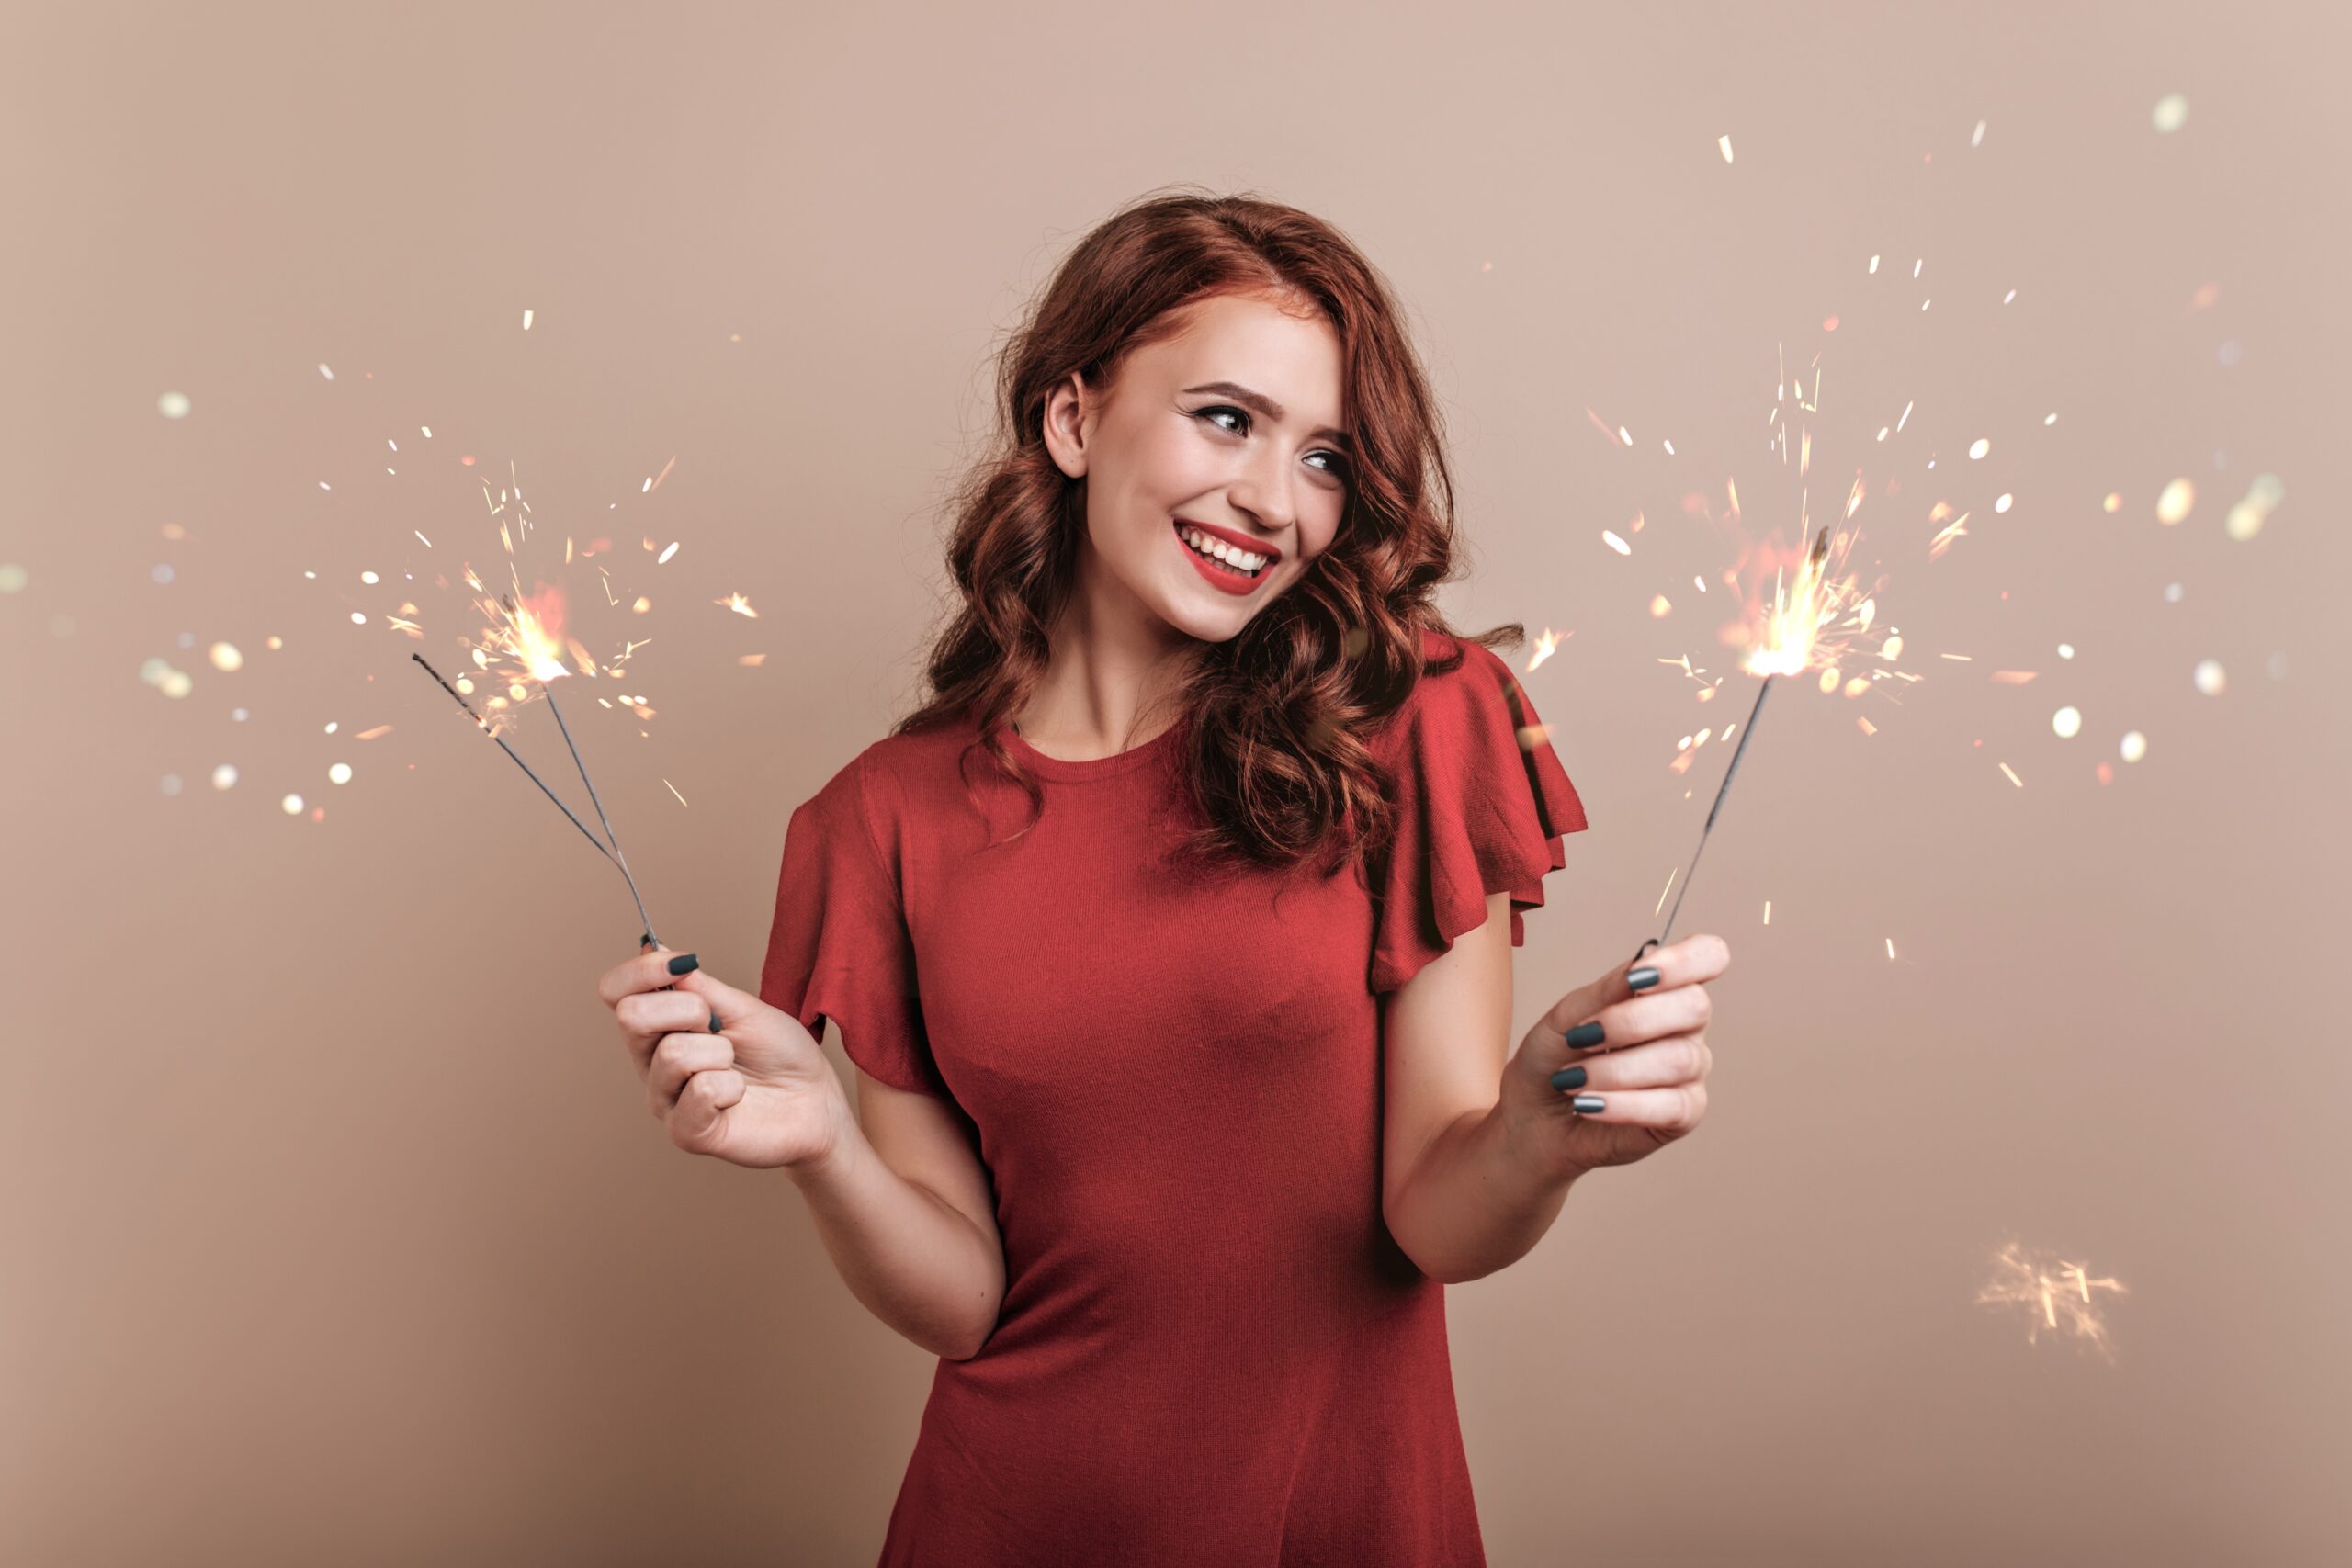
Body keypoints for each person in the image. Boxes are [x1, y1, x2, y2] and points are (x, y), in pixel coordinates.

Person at [596, 188, 1729, 1567]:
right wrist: (827, 1151)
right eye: (1227, 418)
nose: (1272, 501)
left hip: (1343, 1525)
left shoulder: (1418, 718)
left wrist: (1540, 1134)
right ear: (1074, 419)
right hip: (1004, 1522)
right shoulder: (876, 821)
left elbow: (1433, 1207)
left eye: (1326, 458)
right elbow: (966, 1301)